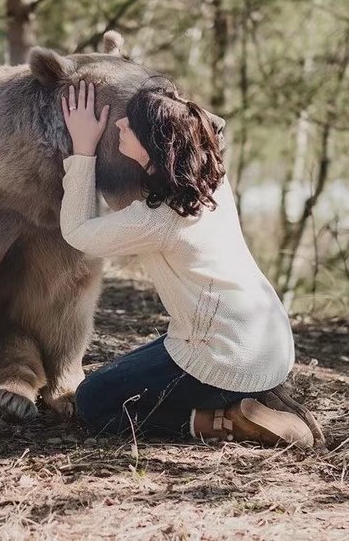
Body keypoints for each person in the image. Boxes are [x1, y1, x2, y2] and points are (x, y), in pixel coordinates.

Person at [59, 81, 323, 447]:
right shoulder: (212, 178)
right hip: (269, 343)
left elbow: (76, 232)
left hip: (224, 357)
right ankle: (256, 397)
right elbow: (206, 126)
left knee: (93, 402)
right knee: (126, 373)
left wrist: (84, 150)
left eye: (129, 123)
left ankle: (225, 420)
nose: (119, 125)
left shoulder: (158, 220)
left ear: (155, 142)